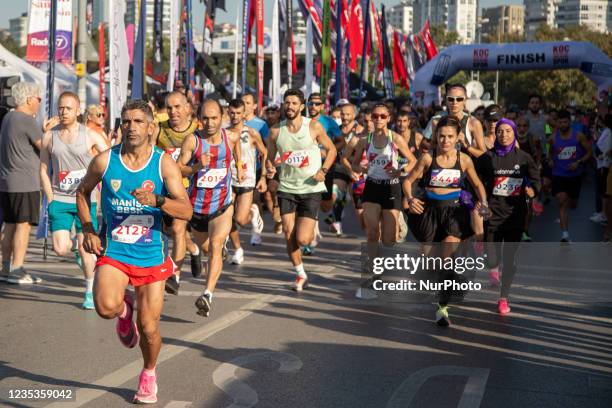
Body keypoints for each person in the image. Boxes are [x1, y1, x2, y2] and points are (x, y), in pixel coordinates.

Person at [76, 99, 193, 404]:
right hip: (115, 251)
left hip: (151, 254)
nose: (131, 127)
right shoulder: (105, 161)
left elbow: (187, 210)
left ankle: (149, 373)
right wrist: (88, 229)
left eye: (138, 121)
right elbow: (82, 192)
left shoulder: (162, 163)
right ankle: (123, 309)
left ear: (151, 126)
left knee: (149, 328)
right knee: (104, 307)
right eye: (126, 121)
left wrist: (157, 201)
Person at [403, 116, 488, 326]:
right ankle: (454, 282)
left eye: (450, 136)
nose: (445, 141)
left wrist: (483, 202)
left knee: (447, 258)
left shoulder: (464, 160)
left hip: (454, 213)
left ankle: (442, 308)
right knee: (432, 264)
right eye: (441, 136)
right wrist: (411, 198)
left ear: (457, 137)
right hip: (429, 213)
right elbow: (408, 181)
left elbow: (477, 184)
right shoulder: (427, 159)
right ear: (436, 136)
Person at [40, 92, 109, 308]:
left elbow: (110, 159)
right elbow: (43, 169)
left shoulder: (90, 135)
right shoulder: (50, 136)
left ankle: (89, 290)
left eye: (68, 108)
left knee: (85, 247)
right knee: (61, 248)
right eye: (60, 108)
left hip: (85, 199)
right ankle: (79, 252)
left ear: (77, 111)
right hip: (59, 198)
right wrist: (50, 199)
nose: (63, 112)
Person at [177, 99, 245, 317]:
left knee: (216, 245)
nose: (209, 122)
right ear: (199, 119)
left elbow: (237, 153)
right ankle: (210, 253)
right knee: (207, 248)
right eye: (205, 118)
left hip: (222, 204)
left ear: (222, 117)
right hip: (197, 206)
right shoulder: (192, 141)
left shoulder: (231, 137)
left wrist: (240, 169)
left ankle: (207, 295)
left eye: (214, 117)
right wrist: (198, 166)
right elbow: (179, 169)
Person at [266, 89, 336, 291]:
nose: (290, 106)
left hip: (310, 187)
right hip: (287, 187)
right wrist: (270, 171)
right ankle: (300, 273)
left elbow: (332, 150)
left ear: (302, 106)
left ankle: (310, 226)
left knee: (303, 238)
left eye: (294, 103)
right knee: (288, 232)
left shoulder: (313, 127)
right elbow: (270, 158)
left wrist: (323, 170)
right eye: (287, 103)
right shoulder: (276, 131)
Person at [351, 102, 416, 299]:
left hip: (392, 188)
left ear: (388, 119)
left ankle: (398, 223)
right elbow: (354, 163)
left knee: (388, 240)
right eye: (375, 116)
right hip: (372, 186)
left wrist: (400, 170)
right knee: (372, 233)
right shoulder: (365, 140)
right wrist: (361, 169)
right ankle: (375, 275)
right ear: (371, 118)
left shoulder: (394, 138)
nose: (378, 119)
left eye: (382, 116)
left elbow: (413, 160)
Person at [479, 119, 540, 314]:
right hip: (493, 215)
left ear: (514, 133)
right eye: (500, 131)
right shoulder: (487, 157)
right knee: (491, 261)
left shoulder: (524, 158)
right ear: (495, 134)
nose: (503, 135)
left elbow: (535, 180)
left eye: (507, 131)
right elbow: (473, 181)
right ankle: (491, 264)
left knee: (510, 260)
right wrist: (476, 202)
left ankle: (503, 297)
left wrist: (533, 190)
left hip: (515, 215)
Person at [0, 82, 51, 284]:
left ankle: (6, 267)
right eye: (38, 99)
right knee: (23, 225)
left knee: (11, 225)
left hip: (7, 181)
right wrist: (47, 131)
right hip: (25, 182)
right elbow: (45, 147)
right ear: (29, 99)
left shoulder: (9, 117)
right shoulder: (26, 120)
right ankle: (17, 268)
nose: (39, 103)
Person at [155, 91, 202, 294]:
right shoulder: (159, 130)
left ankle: (174, 275)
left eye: (177, 107)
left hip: (189, 189)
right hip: (165, 189)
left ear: (187, 108)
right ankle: (193, 249)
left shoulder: (197, 130)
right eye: (169, 107)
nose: (173, 112)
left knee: (177, 229)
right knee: (171, 231)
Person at [225, 99, 267, 265]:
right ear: (228, 113)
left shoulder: (251, 133)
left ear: (244, 114)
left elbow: (265, 153)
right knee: (226, 217)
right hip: (228, 180)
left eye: (238, 113)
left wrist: (263, 177)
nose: (235, 116)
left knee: (241, 219)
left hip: (247, 179)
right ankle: (238, 249)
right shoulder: (224, 132)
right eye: (232, 113)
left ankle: (252, 212)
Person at [305, 92, 342, 253]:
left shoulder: (328, 122)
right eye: (311, 103)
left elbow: (341, 142)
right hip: (306, 167)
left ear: (322, 106)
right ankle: (310, 236)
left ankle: (334, 193)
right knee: (309, 201)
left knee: (326, 206)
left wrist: (328, 152)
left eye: (317, 104)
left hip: (325, 166)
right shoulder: (301, 122)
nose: (313, 106)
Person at [549, 109, 592, 243]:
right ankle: (565, 234)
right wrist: (550, 160)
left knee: (573, 204)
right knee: (562, 201)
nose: (562, 124)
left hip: (574, 176)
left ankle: (571, 204)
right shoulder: (553, 138)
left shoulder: (578, 136)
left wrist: (578, 162)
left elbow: (589, 152)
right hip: (558, 175)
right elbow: (550, 153)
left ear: (570, 122)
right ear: (557, 123)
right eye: (560, 122)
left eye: (565, 122)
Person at [241, 93, 269, 245]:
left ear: (254, 106)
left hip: (254, 168)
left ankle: (256, 231)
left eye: (248, 102)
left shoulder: (261, 124)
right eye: (242, 102)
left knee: (255, 200)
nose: (245, 105)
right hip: (236, 169)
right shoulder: (233, 123)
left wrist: (266, 169)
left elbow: (267, 147)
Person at [515, 115, 543, 241]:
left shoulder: (534, 139)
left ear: (528, 126)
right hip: (513, 175)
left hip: (528, 177)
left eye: (524, 126)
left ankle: (525, 231)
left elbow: (539, 153)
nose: (521, 129)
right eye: (519, 126)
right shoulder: (510, 138)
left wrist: (537, 168)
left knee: (528, 205)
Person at [263, 104, 283, 234]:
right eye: (268, 113)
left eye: (273, 113)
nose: (270, 116)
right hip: (264, 163)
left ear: (278, 114)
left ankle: (279, 209)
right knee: (267, 195)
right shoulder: (263, 127)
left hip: (280, 163)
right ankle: (277, 219)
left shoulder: (283, 127)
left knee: (273, 187)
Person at [593, 114, 611, 230]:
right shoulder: (606, 131)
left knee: (604, 190)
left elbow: (606, 147)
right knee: (601, 189)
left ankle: (604, 214)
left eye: (598, 120)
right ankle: (601, 213)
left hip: (604, 164)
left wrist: (602, 155)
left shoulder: (609, 132)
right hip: (602, 163)